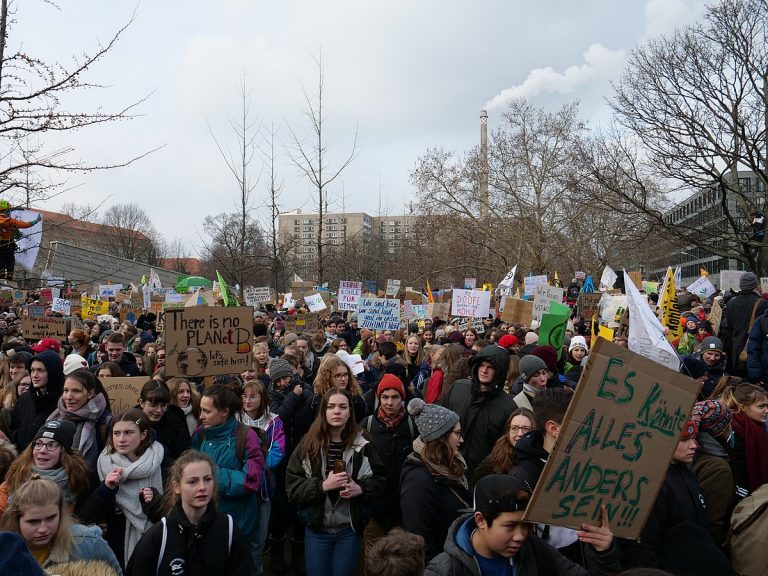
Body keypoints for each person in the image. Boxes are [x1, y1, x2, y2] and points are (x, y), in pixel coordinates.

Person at [426, 472, 621, 576]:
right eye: (510, 526)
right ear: (481, 520)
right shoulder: (445, 570)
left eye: (526, 525)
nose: (521, 536)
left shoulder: (536, 551)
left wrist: (603, 554)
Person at [285, 387, 385, 576]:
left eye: (342, 407)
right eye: (331, 407)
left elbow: (380, 482)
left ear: (350, 412)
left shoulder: (363, 446)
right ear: (323, 412)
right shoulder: (308, 445)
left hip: (349, 530)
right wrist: (322, 486)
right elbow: (292, 487)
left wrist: (360, 488)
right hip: (317, 529)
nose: (336, 411)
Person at [618, 420, 731, 572]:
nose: (694, 445)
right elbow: (642, 546)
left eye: (694, 438)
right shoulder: (651, 485)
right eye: (684, 440)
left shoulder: (687, 472)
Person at [125, 450, 250, 576]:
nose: (202, 487)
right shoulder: (159, 536)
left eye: (207, 479)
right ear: (176, 487)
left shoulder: (228, 528)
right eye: (193, 481)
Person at [78, 408, 165, 569]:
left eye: (128, 432)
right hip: (113, 547)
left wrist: (155, 501)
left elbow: (172, 515)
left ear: (143, 435)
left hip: (153, 544)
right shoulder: (102, 465)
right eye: (116, 433)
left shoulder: (163, 463)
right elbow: (85, 517)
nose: (121, 439)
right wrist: (106, 489)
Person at [192, 384, 265, 571]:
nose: (201, 416)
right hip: (205, 523)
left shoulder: (246, 437)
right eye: (201, 410)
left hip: (240, 524)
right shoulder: (199, 435)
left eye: (206, 411)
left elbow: (250, 481)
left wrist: (210, 476)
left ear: (224, 411)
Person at [400, 398, 471, 562]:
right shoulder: (418, 482)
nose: (461, 440)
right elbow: (420, 541)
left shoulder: (449, 466)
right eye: (457, 433)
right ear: (441, 438)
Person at [0, 478, 121, 572]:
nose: (43, 529)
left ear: (61, 514)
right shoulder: (4, 550)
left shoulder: (88, 542)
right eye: (33, 522)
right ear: (16, 519)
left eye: (51, 518)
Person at [359, 374, 418, 556]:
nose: (389, 402)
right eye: (385, 397)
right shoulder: (367, 424)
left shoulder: (411, 425)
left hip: (402, 506)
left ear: (402, 399)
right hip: (372, 505)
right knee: (373, 555)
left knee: (398, 557)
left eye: (395, 397)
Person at [266, 355, 314, 574]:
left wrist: (298, 396)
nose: (284, 383)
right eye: (280, 380)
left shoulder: (306, 389)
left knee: (300, 507)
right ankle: (277, 549)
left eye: (286, 377)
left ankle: (298, 552)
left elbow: (310, 414)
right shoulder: (271, 394)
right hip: (280, 459)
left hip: (302, 454)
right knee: (280, 509)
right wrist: (293, 398)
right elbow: (280, 416)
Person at [441, 345, 516, 477]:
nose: (484, 370)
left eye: (490, 367)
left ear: (500, 371)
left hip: (481, 476)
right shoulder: (458, 388)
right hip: (448, 467)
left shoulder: (508, 407)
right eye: (481, 365)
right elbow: (441, 425)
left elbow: (504, 451)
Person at [240, 378, 286, 575]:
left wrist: (256, 468)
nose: (247, 400)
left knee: (259, 536)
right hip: (239, 485)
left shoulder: (274, 422)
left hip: (262, 487)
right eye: (244, 396)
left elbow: (277, 451)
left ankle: (256, 569)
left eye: (253, 396)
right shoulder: (234, 419)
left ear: (262, 398)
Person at [0, 420, 91, 518]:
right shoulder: (15, 478)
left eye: (52, 445)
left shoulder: (78, 482)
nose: (42, 450)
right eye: (38, 444)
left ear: (64, 452)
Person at [690, 399, 735, 548]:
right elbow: (712, 522)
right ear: (720, 430)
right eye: (729, 424)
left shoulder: (692, 451)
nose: (732, 428)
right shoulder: (718, 469)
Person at [46, 369, 112, 470]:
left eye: (76, 391)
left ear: (90, 393)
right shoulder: (56, 417)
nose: (68, 397)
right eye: (65, 390)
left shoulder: (106, 421)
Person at [11, 349, 65, 452]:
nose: (34, 375)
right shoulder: (25, 398)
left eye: (41, 370)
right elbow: (14, 426)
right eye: (32, 370)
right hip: (23, 459)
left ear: (53, 372)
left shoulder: (64, 401)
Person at [720, 383, 768, 498]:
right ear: (742, 407)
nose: (767, 410)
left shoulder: (756, 427)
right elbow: (739, 470)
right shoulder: (735, 430)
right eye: (761, 407)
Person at [138, 380, 191, 475]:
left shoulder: (176, 420)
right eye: (153, 405)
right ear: (142, 403)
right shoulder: (131, 421)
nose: (159, 410)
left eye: (164, 405)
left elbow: (184, 454)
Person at [473, 408, 536, 482]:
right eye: (514, 428)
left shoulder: (541, 456)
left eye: (526, 429)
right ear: (508, 431)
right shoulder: (497, 458)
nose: (520, 434)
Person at [722, 271, 766, 376]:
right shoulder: (762, 303)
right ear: (756, 285)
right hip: (755, 351)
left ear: (741, 286)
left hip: (735, 350)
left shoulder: (731, 303)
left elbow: (728, 328)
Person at [310, 354, 367, 422]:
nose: (343, 379)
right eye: (338, 375)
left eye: (345, 375)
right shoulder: (318, 399)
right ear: (328, 378)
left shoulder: (356, 399)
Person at [0, 200, 40, 281]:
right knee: (10, 257)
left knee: (1, 257)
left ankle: (1, 271)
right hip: (9, 243)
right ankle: (10, 272)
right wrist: (35, 221)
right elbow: (24, 225)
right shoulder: (10, 221)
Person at [0, 369, 29, 437]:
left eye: (31, 385)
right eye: (23, 384)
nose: (27, 388)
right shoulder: (5, 412)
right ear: (16, 387)